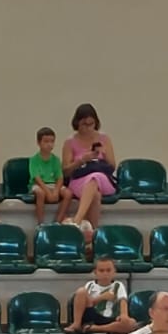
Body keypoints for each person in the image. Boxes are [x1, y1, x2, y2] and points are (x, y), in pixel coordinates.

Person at [61, 103, 117, 243]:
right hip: (79, 179)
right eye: (84, 124)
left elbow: (112, 165)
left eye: (91, 124)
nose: (88, 128)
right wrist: (81, 160)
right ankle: (92, 236)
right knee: (95, 195)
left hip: (102, 178)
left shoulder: (104, 139)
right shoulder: (70, 142)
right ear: (77, 123)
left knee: (94, 178)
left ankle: (77, 220)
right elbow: (66, 171)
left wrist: (102, 153)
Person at [69, 256, 135, 334]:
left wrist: (124, 315)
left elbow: (123, 301)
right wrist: (101, 297)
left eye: (108, 270)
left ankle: (94, 329)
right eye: (101, 271)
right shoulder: (90, 285)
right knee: (81, 291)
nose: (105, 273)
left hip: (111, 318)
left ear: (114, 272)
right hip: (92, 316)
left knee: (131, 324)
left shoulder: (118, 285)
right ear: (95, 272)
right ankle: (77, 324)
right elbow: (86, 304)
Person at [29, 127, 67, 226]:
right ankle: (41, 223)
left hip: (52, 184)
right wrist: (48, 193)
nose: (49, 144)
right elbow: (37, 178)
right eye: (46, 141)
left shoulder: (56, 160)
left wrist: (55, 191)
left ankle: (57, 221)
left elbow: (59, 178)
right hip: (39, 185)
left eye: (52, 141)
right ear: (38, 142)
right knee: (40, 193)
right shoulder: (34, 160)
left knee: (68, 193)